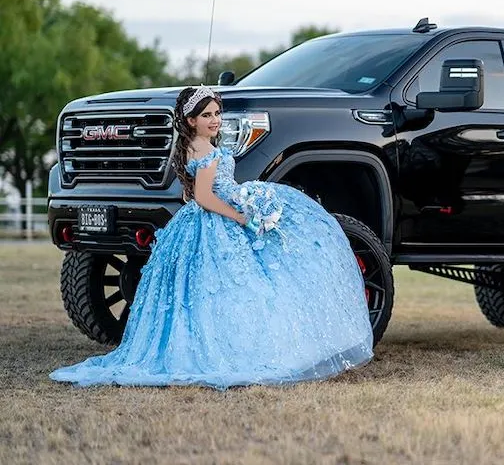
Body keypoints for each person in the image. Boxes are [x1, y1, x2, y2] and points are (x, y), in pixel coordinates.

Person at [50, 85, 374, 389]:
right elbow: (205, 197)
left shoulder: (191, 147)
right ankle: (228, 347)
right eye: (207, 115)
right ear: (191, 120)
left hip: (197, 219)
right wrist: (239, 215)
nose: (215, 120)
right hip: (214, 218)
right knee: (234, 284)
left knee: (204, 290)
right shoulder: (205, 150)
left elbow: (191, 197)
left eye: (217, 113)